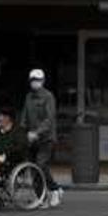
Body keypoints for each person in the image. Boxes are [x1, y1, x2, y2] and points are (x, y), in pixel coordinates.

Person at [20, 68, 62, 208]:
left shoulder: (48, 96)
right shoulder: (28, 97)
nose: (35, 82)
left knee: (41, 164)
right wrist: (23, 131)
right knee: (33, 169)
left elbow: (49, 119)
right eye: (33, 80)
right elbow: (24, 116)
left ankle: (55, 189)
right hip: (32, 138)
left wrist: (37, 132)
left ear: (43, 81)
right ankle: (41, 198)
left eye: (37, 80)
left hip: (46, 138)